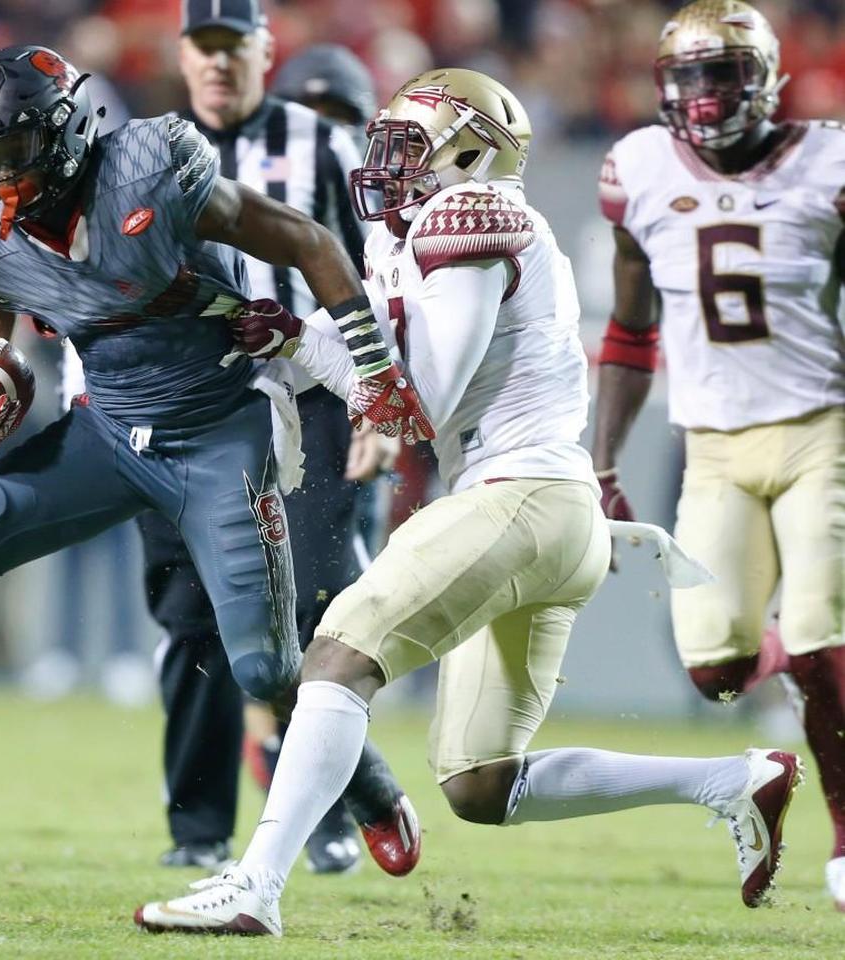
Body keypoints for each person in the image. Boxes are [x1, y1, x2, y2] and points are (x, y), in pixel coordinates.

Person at [134, 67, 804, 936]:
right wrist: (297, 335)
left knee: (336, 656)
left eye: (410, 145)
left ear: (470, 151)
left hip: (515, 495)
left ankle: (255, 883)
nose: (389, 162)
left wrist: (308, 343)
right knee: (483, 782)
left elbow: (418, 404)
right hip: (550, 515)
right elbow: (377, 364)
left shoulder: (470, 214)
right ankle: (729, 780)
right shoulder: (427, 232)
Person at [0, 44, 430, 879]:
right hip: (106, 429)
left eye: (12, 152)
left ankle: (369, 781)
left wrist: (372, 368)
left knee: (262, 665)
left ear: (63, 136)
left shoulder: (149, 167)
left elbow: (306, 237)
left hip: (219, 426)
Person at [590, 0, 845, 910]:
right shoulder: (639, 170)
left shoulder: (830, 158)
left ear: (766, 77)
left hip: (824, 430)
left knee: (823, 642)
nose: (705, 94)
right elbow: (630, 330)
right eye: (689, 75)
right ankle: (802, 669)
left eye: (724, 72)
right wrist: (603, 461)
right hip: (712, 448)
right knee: (718, 671)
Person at [129, 7, 393, 874]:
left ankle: (318, 810)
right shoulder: (141, 155)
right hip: (184, 409)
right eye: (201, 49)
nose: (215, 64)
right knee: (192, 617)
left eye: (231, 48)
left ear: (263, 53)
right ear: (180, 56)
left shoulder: (321, 142)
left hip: (309, 396)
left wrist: (376, 403)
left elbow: (378, 280)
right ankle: (198, 829)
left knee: (317, 599)